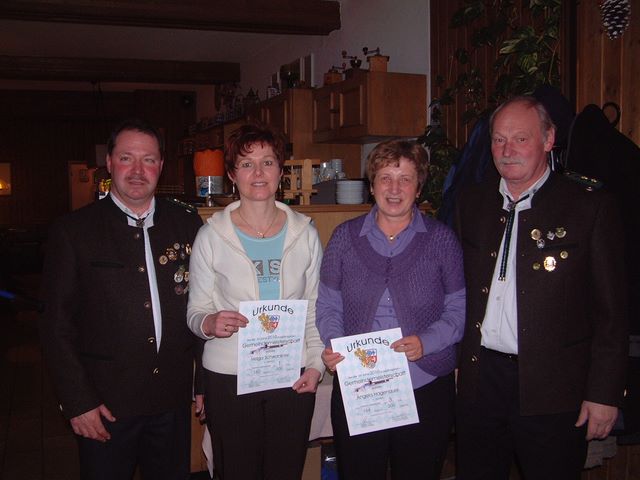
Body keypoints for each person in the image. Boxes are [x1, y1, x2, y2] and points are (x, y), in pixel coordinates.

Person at [454, 96, 628, 480]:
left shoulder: (589, 207)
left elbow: (612, 314)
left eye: (521, 139)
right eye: (499, 140)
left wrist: (604, 393)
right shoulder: (472, 203)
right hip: (481, 383)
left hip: (555, 389)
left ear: (549, 140)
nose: (507, 150)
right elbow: (458, 294)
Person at [39, 118, 203, 480]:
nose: (138, 170)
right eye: (127, 158)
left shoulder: (188, 224)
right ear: (110, 163)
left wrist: (203, 382)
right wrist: (77, 402)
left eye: (149, 160)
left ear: (161, 165)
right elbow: (55, 327)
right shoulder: (73, 231)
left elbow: (204, 305)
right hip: (105, 404)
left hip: (172, 399)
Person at [317, 139, 466, 480]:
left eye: (405, 179)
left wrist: (426, 341)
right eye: (385, 178)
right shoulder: (344, 238)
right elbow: (328, 305)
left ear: (419, 187)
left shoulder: (442, 240)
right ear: (372, 186)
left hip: (425, 384)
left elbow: (458, 310)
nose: (394, 189)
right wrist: (335, 344)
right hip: (360, 385)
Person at [186, 123, 324, 480]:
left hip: (291, 374)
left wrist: (315, 365)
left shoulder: (305, 233)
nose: (258, 173)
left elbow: (315, 308)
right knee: (236, 471)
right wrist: (208, 322)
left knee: (285, 470)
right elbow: (195, 311)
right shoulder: (211, 236)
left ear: (281, 171)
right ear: (232, 175)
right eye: (247, 164)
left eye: (268, 162)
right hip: (229, 376)